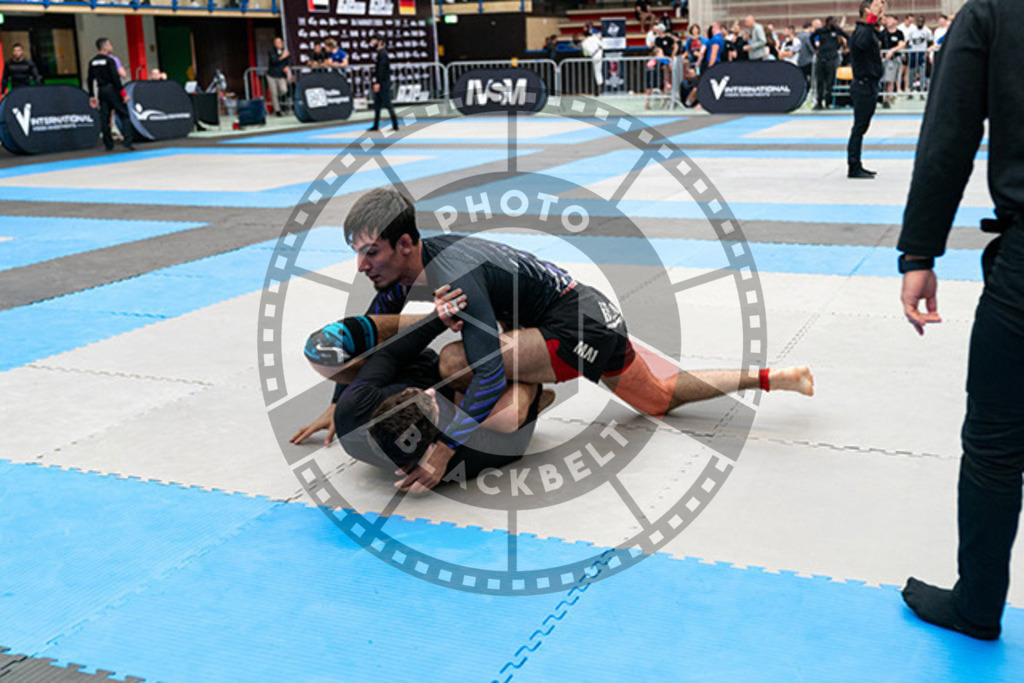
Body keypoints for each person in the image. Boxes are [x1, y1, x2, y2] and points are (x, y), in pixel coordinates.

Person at [304, 188, 815, 492]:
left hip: (579, 327)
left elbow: (484, 373)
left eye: (371, 253)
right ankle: (769, 377)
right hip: (579, 307)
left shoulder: (452, 273)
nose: (361, 265)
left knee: (459, 357)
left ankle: (535, 395)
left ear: (407, 244)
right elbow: (377, 332)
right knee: (657, 399)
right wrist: (338, 400)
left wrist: (441, 450)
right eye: (357, 253)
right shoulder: (401, 274)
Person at [899, 0, 1023, 642]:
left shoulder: (994, 13)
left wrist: (919, 252)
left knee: (997, 443)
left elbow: (949, 135)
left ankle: (978, 605)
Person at [291, 310, 554, 486]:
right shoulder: (462, 456)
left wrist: (440, 317)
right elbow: (513, 445)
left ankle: (463, 311)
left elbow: (389, 356)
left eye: (414, 396)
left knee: (322, 347)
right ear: (433, 444)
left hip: (414, 368)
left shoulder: (353, 408)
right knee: (507, 416)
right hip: (470, 402)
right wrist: (526, 384)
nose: (430, 393)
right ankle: (534, 389)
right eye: (432, 405)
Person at [846, 0, 884, 179]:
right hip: (863, 86)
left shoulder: (870, 32)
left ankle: (856, 163)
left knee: (862, 127)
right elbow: (862, 42)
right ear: (867, 11)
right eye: (877, 12)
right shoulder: (862, 32)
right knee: (859, 127)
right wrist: (873, 17)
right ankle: (854, 165)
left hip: (869, 85)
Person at [87, 38, 134, 152]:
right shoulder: (109, 61)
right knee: (124, 114)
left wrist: (92, 95)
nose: (111, 46)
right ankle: (127, 142)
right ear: (104, 47)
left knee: (105, 117)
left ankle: (108, 144)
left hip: (101, 91)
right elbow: (115, 79)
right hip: (112, 90)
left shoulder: (92, 62)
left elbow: (89, 79)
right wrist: (123, 94)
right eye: (109, 44)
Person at [812, 16, 849, 109]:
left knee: (830, 82)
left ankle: (828, 102)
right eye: (833, 22)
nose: (835, 24)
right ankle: (819, 101)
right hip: (821, 58)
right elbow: (811, 37)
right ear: (828, 23)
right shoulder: (820, 31)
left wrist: (844, 47)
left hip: (832, 59)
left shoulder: (837, 30)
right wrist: (815, 48)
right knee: (820, 81)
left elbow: (847, 37)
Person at [368, 35, 399, 133]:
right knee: (377, 104)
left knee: (387, 103)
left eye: (374, 40)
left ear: (379, 41)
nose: (372, 42)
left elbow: (382, 70)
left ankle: (395, 124)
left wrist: (378, 82)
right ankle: (376, 125)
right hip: (381, 81)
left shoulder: (382, 54)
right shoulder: (379, 53)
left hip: (383, 82)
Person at [879, 15, 906, 108]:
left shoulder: (899, 33)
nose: (888, 21)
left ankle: (888, 98)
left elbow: (901, 44)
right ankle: (883, 97)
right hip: (884, 60)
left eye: (890, 19)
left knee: (891, 79)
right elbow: (879, 43)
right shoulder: (883, 33)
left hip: (894, 59)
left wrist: (892, 50)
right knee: (885, 79)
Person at [904, 15, 933, 95]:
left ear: (924, 22)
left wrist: (928, 52)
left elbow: (930, 42)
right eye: (918, 21)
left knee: (922, 73)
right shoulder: (912, 31)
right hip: (913, 53)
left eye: (922, 21)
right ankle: (911, 89)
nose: (920, 23)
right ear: (916, 22)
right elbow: (906, 42)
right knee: (911, 73)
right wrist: (906, 53)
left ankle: (922, 91)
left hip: (922, 53)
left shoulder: (927, 31)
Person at [267, 37, 291, 117]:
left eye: (280, 42)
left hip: (281, 75)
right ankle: (277, 110)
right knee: (274, 93)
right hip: (272, 75)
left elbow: (288, 62)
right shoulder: (271, 51)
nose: (279, 44)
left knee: (284, 90)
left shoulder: (285, 52)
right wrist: (282, 57)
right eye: (277, 42)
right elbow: (274, 61)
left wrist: (287, 67)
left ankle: (282, 101)